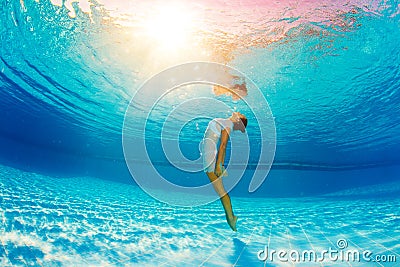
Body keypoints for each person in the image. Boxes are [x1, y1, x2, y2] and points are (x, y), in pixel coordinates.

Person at [201, 112, 248, 231]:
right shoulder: (225, 122)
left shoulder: (228, 125)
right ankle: (231, 218)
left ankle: (231, 218)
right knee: (219, 190)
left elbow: (223, 146)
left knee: (221, 191)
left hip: (210, 157)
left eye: (240, 114)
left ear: (238, 120)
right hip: (208, 155)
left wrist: (218, 165)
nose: (238, 112)